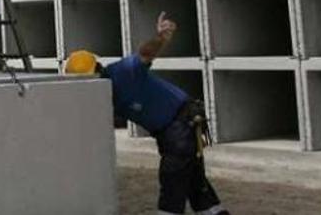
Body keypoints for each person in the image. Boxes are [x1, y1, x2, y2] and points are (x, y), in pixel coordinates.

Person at [64, 12, 228, 215]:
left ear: (99, 69)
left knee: (172, 184)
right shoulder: (101, 95)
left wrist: (160, 38)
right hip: (174, 130)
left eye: (90, 79)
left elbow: (145, 54)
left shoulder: (122, 72)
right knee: (196, 184)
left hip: (181, 124)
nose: (89, 86)